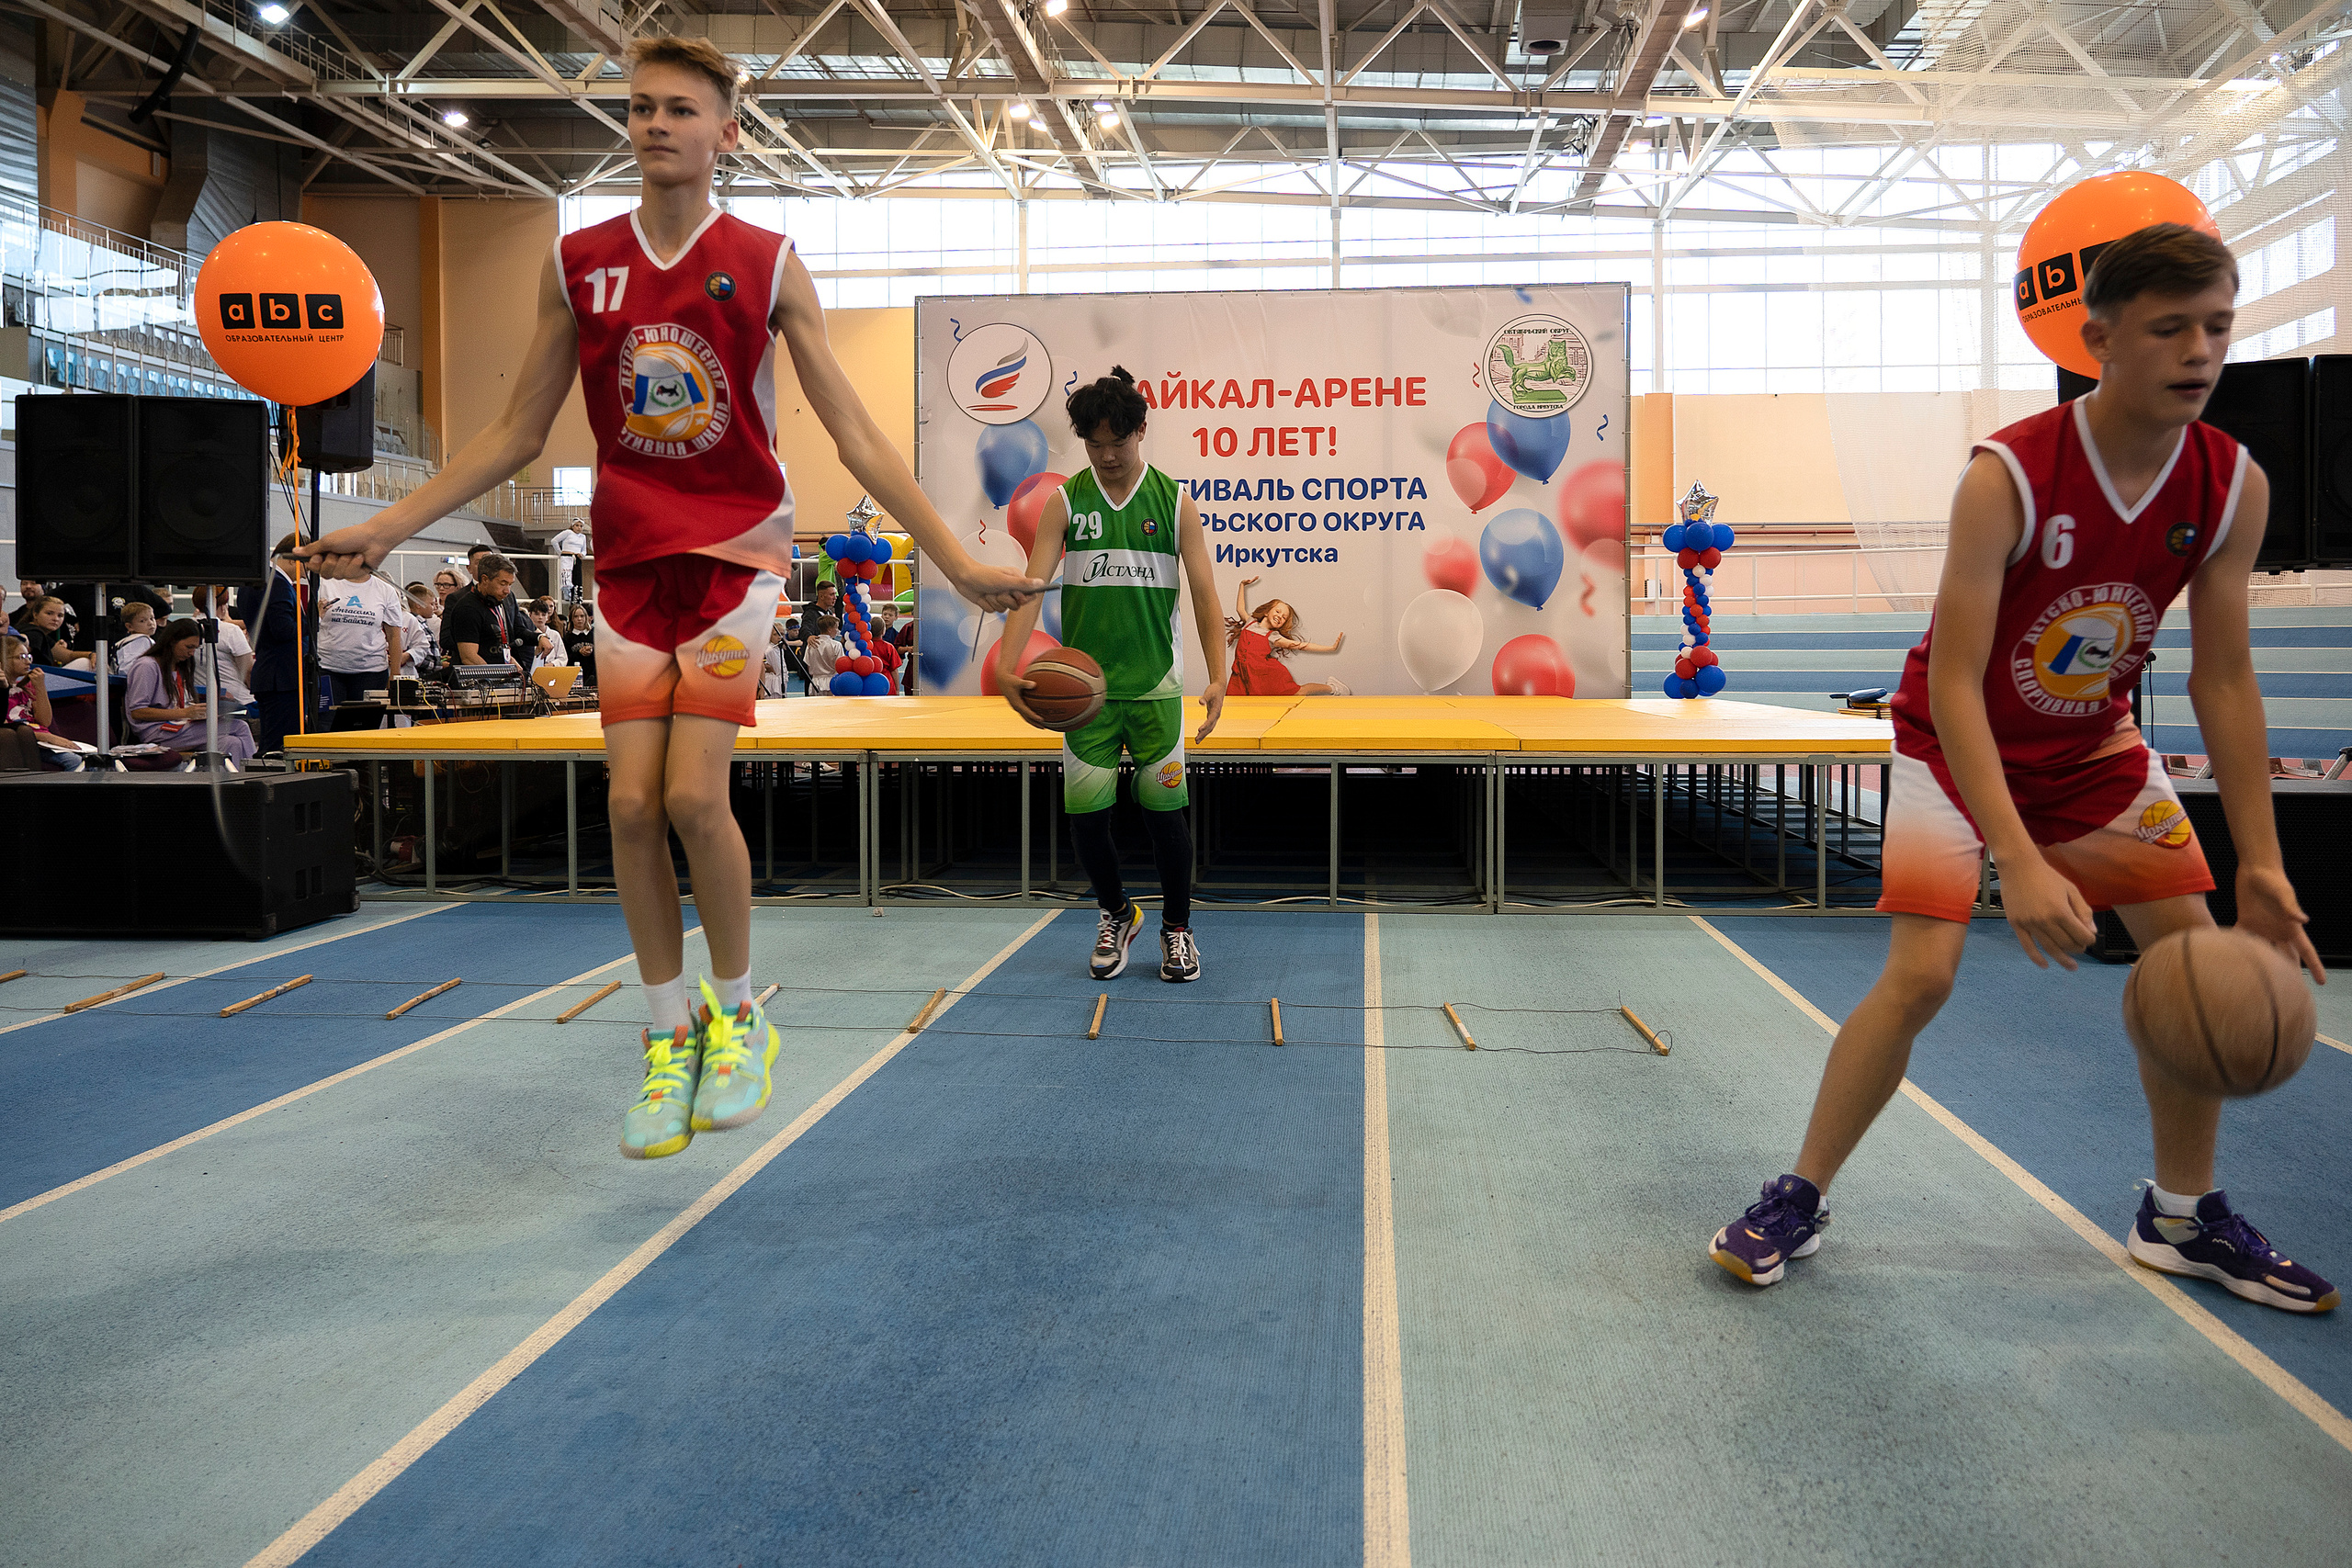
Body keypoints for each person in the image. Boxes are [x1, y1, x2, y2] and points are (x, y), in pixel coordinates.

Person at [299, 33, 1037, 1162]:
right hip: (630, 564)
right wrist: (389, 527)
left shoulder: (769, 262)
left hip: (736, 557)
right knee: (631, 810)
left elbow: (855, 433)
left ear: (727, 131)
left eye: (679, 109)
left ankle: (738, 1019)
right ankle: (665, 1033)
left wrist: (954, 560)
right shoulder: (577, 261)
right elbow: (515, 431)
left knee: (693, 797)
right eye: (640, 107)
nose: (654, 123)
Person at [1706, 225, 2335, 1314]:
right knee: (1922, 977)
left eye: (2216, 327)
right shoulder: (2007, 476)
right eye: (2169, 328)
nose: (2199, 351)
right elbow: (1955, 684)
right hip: (1953, 748)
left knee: (2187, 958)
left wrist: (2264, 865)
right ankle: (1797, 1194)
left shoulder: (2231, 483)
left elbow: (2224, 679)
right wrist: (2017, 858)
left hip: (2092, 751)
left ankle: (2180, 1218)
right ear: (2099, 340)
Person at [997, 367, 1227, 984]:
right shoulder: (1065, 501)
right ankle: (1117, 912)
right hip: (1087, 699)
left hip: (1155, 690)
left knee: (1165, 819)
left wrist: (1218, 675)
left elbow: (1205, 594)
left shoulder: (1174, 502)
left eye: (1117, 442)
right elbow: (1032, 587)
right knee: (1086, 823)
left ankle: (1177, 929)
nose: (1107, 456)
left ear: (1140, 431)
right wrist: (1006, 664)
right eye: (1094, 444)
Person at [126, 617, 256, 761]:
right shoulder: (147, 666)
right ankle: (257, 770)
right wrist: (185, 712)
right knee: (240, 727)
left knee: (232, 743)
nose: (192, 653)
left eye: (195, 648)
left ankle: (234, 775)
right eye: (189, 647)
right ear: (172, 641)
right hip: (157, 731)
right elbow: (137, 711)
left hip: (179, 726)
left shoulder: (178, 667)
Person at [241, 536, 322, 756]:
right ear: (294, 558)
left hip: (272, 674)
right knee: (281, 748)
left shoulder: (254, 581)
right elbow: (283, 630)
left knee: (273, 743)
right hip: (283, 678)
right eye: (307, 566)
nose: (307, 573)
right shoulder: (276, 583)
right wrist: (312, 621)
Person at [1226, 576, 1351, 696]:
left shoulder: (1273, 637)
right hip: (1241, 675)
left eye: (1284, 617)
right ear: (1266, 612)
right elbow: (1240, 609)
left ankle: (1333, 688)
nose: (1280, 616)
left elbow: (1301, 646)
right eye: (1278, 611)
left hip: (1265, 676)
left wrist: (1330, 648)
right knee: (1235, 704)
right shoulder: (1250, 623)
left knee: (1299, 692)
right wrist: (1242, 585)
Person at [317, 564, 408, 729]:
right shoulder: (324, 584)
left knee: (363, 728)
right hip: (328, 669)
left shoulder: (385, 590)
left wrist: (395, 676)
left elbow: (394, 636)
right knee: (326, 727)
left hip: (370, 672)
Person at [2, 628, 84, 770]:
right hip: (24, 741)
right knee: (73, 761)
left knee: (88, 759)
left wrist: (40, 687)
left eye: (29, 656)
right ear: (4, 660)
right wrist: (48, 737)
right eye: (21, 657)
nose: (28, 662)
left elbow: (45, 721)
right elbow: (6, 726)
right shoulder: (3, 689)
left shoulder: (27, 686)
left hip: (42, 739)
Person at [441, 553, 520, 667]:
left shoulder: (495, 603)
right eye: (503, 584)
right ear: (485, 579)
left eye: (510, 584)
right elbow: (469, 658)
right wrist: (498, 675)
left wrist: (512, 663)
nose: (507, 591)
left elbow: (493, 647)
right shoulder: (467, 608)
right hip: (477, 676)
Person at [193, 586, 257, 715]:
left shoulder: (184, 627)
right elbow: (248, 671)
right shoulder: (230, 631)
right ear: (223, 607)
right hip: (239, 700)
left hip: (197, 698)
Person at [17, 597, 90, 668]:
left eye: (60, 616)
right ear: (35, 614)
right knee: (87, 663)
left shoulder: (41, 634)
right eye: (49, 613)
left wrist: (91, 654)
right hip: (36, 674)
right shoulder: (34, 634)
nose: (55, 619)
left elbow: (68, 656)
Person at [109, 602, 157, 673]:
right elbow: (127, 669)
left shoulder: (126, 641)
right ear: (130, 626)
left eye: (152, 618)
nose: (150, 623)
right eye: (142, 621)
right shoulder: (141, 640)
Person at [802, 612, 842, 692]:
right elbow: (840, 665)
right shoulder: (836, 645)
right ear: (829, 629)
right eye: (836, 628)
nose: (837, 631)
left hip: (815, 682)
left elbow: (808, 665)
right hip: (832, 682)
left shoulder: (811, 645)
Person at [552, 519, 589, 604]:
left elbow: (584, 550)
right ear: (573, 526)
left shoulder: (583, 537)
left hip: (577, 558)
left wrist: (582, 554)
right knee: (567, 577)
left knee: (577, 579)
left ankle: (576, 599)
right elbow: (554, 541)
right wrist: (560, 553)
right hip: (567, 557)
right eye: (577, 525)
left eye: (581, 526)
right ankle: (567, 594)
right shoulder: (567, 533)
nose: (579, 528)